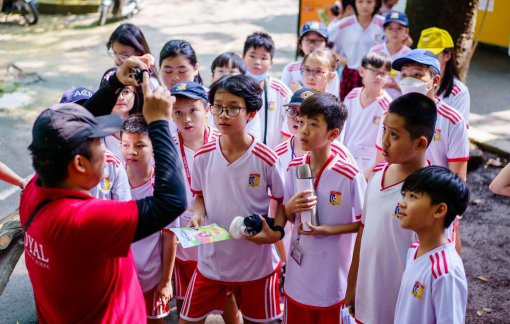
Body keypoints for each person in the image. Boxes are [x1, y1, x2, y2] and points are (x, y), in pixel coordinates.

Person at [19, 56, 187, 323]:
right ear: (79, 164)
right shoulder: (84, 221)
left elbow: (78, 125)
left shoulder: (34, 191)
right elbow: (172, 202)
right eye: (99, 144)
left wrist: (116, 84)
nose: (108, 150)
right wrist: (158, 124)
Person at [181, 75, 286, 324]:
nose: (223, 115)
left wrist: (277, 233)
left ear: (251, 113)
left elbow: (281, 201)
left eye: (232, 108)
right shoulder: (203, 155)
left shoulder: (266, 158)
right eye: (217, 106)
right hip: (211, 262)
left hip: (256, 266)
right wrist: (197, 214)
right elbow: (200, 195)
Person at [344, 93, 436, 324]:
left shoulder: (430, 194)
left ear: (420, 143)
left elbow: (433, 259)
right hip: (366, 298)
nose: (384, 140)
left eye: (394, 135)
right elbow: (364, 232)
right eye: (384, 129)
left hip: (400, 307)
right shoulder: (376, 174)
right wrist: (352, 284)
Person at [280, 92, 366, 323]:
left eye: (313, 124)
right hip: (297, 278)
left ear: (333, 133)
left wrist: (328, 230)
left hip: (332, 282)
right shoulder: (294, 167)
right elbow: (287, 215)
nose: (303, 130)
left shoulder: (348, 175)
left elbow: (365, 225)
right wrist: (289, 208)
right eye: (302, 121)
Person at [168, 81, 237, 323]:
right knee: (183, 295)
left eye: (193, 110)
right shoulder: (167, 148)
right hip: (183, 234)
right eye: (178, 112)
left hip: (218, 231)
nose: (186, 119)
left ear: (207, 110)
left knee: (228, 296)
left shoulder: (224, 142)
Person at [394, 166, 469, 324]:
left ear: (439, 210)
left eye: (412, 196)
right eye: (404, 195)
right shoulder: (415, 249)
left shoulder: (446, 271)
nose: (402, 203)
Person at [121, 114, 177, 323]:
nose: (131, 151)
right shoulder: (112, 179)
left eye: (140, 145)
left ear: (154, 146)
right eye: (125, 144)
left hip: (152, 277)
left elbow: (170, 236)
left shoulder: (163, 186)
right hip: (120, 276)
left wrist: (165, 280)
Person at [61, 86, 131, 201]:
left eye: (90, 114)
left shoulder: (112, 163)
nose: (83, 122)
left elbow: (125, 209)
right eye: (76, 116)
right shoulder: (52, 163)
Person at [341, 51, 392, 176]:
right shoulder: (352, 95)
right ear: (362, 71)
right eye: (374, 71)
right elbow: (342, 128)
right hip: (345, 160)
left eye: (383, 73)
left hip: (370, 167)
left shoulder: (388, 106)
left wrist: (372, 171)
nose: (378, 76)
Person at [243, 32, 292, 148]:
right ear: (242, 57)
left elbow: (291, 122)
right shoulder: (233, 88)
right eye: (252, 56)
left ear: (271, 63)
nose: (257, 62)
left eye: (263, 58)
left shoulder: (281, 91)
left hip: (272, 155)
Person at [328, 0, 384, 100]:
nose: (364, 6)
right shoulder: (345, 24)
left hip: (377, 75)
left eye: (369, 2)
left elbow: (405, 41)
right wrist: (339, 59)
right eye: (360, 2)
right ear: (355, 3)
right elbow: (324, 40)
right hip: (352, 74)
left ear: (376, 3)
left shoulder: (383, 24)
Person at [417, 28, 471, 125]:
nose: (427, 60)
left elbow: (460, 131)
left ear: (448, 56)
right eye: (424, 55)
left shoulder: (459, 92)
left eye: (434, 55)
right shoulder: (413, 82)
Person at [207, 53, 260, 140]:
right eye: (221, 71)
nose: (226, 75)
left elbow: (254, 135)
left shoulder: (248, 103)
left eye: (233, 107)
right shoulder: (205, 100)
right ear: (212, 75)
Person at [97, 67, 144, 164]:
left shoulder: (147, 129)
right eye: (115, 92)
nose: (120, 97)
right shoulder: (95, 133)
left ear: (136, 94)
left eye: (126, 91)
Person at [280, 21, 340, 97]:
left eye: (317, 41)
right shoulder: (290, 69)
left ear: (326, 45)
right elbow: (282, 98)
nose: (312, 44)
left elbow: (332, 100)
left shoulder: (329, 71)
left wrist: (301, 93)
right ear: (300, 44)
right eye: (308, 40)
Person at [369, 11, 411, 99]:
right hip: (376, 99)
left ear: (406, 31)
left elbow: (412, 89)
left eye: (399, 28)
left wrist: (396, 86)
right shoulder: (375, 51)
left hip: (400, 102)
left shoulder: (410, 55)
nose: (394, 32)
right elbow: (367, 77)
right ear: (384, 30)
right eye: (390, 29)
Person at [107, 23, 161, 90]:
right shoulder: (113, 76)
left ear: (139, 51)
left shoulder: (150, 84)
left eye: (124, 55)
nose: (118, 60)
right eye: (115, 53)